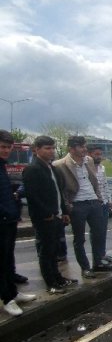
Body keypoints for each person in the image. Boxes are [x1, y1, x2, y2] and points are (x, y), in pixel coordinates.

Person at [53, 136, 112, 279]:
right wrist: (67, 206)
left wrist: (98, 197)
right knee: (79, 238)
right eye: (81, 147)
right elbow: (60, 189)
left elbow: (94, 180)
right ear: (71, 149)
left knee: (99, 233)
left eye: (85, 146)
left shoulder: (89, 160)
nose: (84, 149)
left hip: (93, 201)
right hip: (77, 203)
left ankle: (98, 262)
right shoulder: (60, 164)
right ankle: (85, 268)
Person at [23, 136, 74, 295]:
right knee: (46, 252)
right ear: (36, 150)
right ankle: (51, 283)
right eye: (47, 148)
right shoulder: (32, 169)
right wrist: (47, 213)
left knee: (55, 250)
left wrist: (64, 212)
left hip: (57, 215)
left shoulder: (52, 168)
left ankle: (58, 278)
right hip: (45, 218)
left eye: (52, 148)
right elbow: (32, 196)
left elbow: (59, 193)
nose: (51, 151)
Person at [0, 130, 37, 315]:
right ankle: (7, 299)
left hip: (9, 220)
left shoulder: (2, 166)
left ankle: (13, 293)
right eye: (3, 147)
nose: (6, 150)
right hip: (2, 220)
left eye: (9, 147)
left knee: (8, 260)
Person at [89, 146, 112, 266]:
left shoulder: (102, 168)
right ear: (89, 155)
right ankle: (97, 257)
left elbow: (105, 185)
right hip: (94, 203)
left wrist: (109, 200)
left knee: (103, 230)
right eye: (96, 154)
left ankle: (102, 254)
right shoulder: (86, 169)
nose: (99, 157)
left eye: (100, 154)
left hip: (104, 202)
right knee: (96, 231)